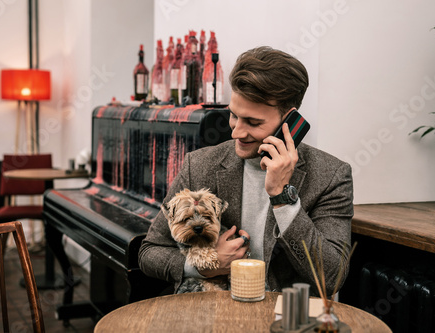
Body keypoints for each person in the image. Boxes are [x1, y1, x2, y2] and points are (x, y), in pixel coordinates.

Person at [138, 46, 353, 296]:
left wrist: (283, 197)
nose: (236, 132)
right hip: (210, 316)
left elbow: (332, 277)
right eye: (233, 116)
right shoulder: (198, 165)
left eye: (252, 122)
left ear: (289, 121)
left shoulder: (330, 176)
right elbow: (149, 252)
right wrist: (204, 265)